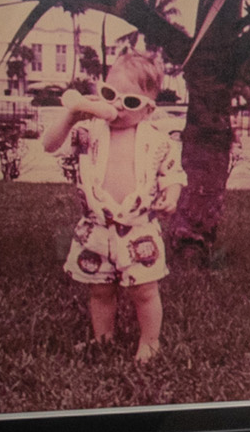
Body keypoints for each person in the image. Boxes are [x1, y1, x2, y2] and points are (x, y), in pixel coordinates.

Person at [39, 48, 186, 362]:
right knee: (100, 291)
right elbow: (49, 144)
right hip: (97, 229)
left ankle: (150, 341)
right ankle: (103, 338)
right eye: (110, 94)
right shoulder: (89, 131)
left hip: (138, 229)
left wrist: (171, 195)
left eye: (130, 101)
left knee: (145, 291)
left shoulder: (157, 141)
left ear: (147, 110)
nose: (117, 105)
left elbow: (173, 173)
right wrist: (71, 114)